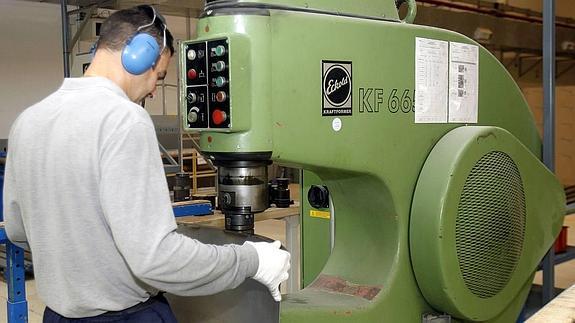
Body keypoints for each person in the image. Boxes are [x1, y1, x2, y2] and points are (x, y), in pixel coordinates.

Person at [3, 5, 290, 322]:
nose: (154, 89)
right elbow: (156, 259)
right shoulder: (124, 119)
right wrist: (252, 261)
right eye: (160, 75)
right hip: (125, 316)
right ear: (140, 53)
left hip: (56, 315)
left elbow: (17, 230)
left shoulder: (27, 121)